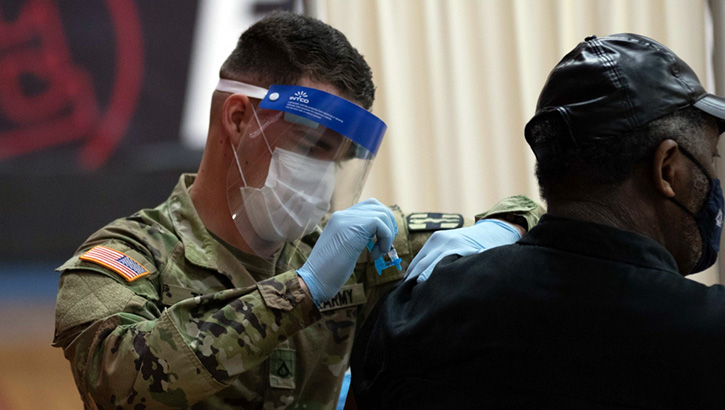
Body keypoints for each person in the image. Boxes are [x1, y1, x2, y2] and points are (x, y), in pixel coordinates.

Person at [52, 10, 543, 409]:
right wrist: (302, 290)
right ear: (240, 119)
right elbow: (118, 379)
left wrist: (508, 226)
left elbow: (535, 218)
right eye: (312, 146)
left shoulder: (347, 246)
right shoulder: (128, 257)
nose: (325, 176)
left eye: (340, 157)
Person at [350, 33, 725, 409]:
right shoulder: (708, 337)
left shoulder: (417, 311)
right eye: (712, 158)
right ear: (667, 168)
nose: (713, 180)